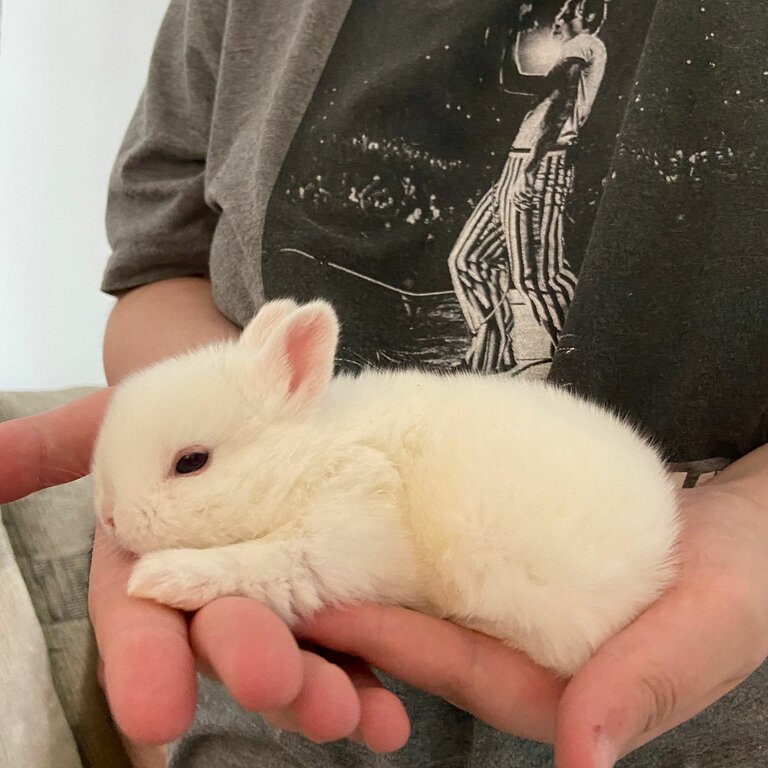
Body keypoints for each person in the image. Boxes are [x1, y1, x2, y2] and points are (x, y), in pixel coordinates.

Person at [2, 1, 767, 767]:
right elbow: (162, 255)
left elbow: (349, 552)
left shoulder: (334, 459)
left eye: (193, 463)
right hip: (274, 731)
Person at [449, 1, 606, 374]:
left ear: (588, 18)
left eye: (567, 12)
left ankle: (586, 364)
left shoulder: (585, 45)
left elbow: (560, 103)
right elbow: (516, 82)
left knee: (539, 278)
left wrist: (531, 169)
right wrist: (507, 29)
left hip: (543, 161)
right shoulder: (570, 52)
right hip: (519, 161)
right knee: (469, 260)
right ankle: (489, 358)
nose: (557, 20)